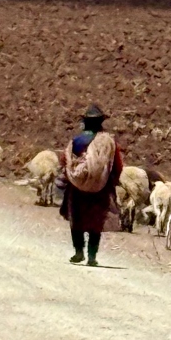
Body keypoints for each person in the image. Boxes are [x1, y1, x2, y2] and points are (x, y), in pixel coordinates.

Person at [59, 103, 124, 266]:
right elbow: (117, 166)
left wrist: (75, 176)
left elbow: (65, 162)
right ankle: (92, 256)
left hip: (76, 188)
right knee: (96, 221)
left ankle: (78, 252)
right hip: (100, 189)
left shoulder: (76, 141)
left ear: (85, 122)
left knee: (77, 219)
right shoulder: (109, 143)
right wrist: (110, 181)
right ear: (101, 122)